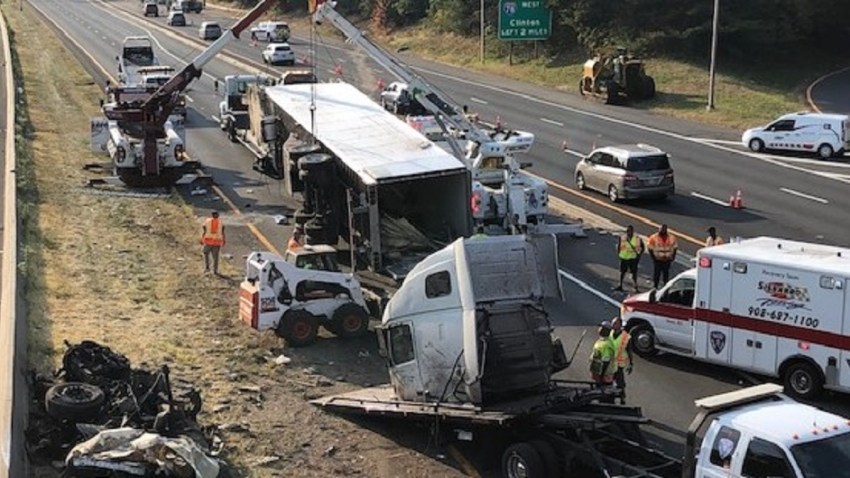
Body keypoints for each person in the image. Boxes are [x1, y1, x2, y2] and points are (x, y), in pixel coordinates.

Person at [610, 317, 633, 404]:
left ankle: (622, 398)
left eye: (615, 323)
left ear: (620, 325)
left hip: (619, 364)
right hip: (610, 363)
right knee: (609, 381)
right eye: (612, 323)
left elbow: (629, 351)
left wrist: (631, 364)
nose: (613, 325)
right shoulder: (609, 333)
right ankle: (610, 397)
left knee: (620, 383)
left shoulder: (626, 337)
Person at [614, 225, 644, 292]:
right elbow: (619, 246)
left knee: (634, 273)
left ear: (632, 231)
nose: (628, 232)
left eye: (629, 231)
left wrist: (639, 255)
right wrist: (619, 254)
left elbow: (642, 247)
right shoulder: (622, 237)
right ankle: (620, 285)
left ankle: (635, 287)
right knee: (622, 272)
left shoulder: (637, 238)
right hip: (624, 257)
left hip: (633, 258)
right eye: (627, 231)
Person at [647, 224, 677, 289]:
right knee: (657, 274)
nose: (663, 230)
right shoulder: (653, 237)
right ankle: (655, 287)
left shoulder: (672, 237)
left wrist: (673, 257)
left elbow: (675, 247)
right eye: (661, 229)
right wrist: (653, 258)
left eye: (664, 229)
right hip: (658, 259)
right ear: (659, 229)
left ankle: (665, 288)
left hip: (667, 259)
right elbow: (650, 248)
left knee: (666, 274)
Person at [589, 321, 617, 389]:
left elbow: (606, 361)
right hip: (600, 375)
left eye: (601, 327)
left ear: (606, 330)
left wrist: (601, 378)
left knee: (604, 395)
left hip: (604, 378)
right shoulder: (602, 340)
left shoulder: (606, 344)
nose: (599, 329)